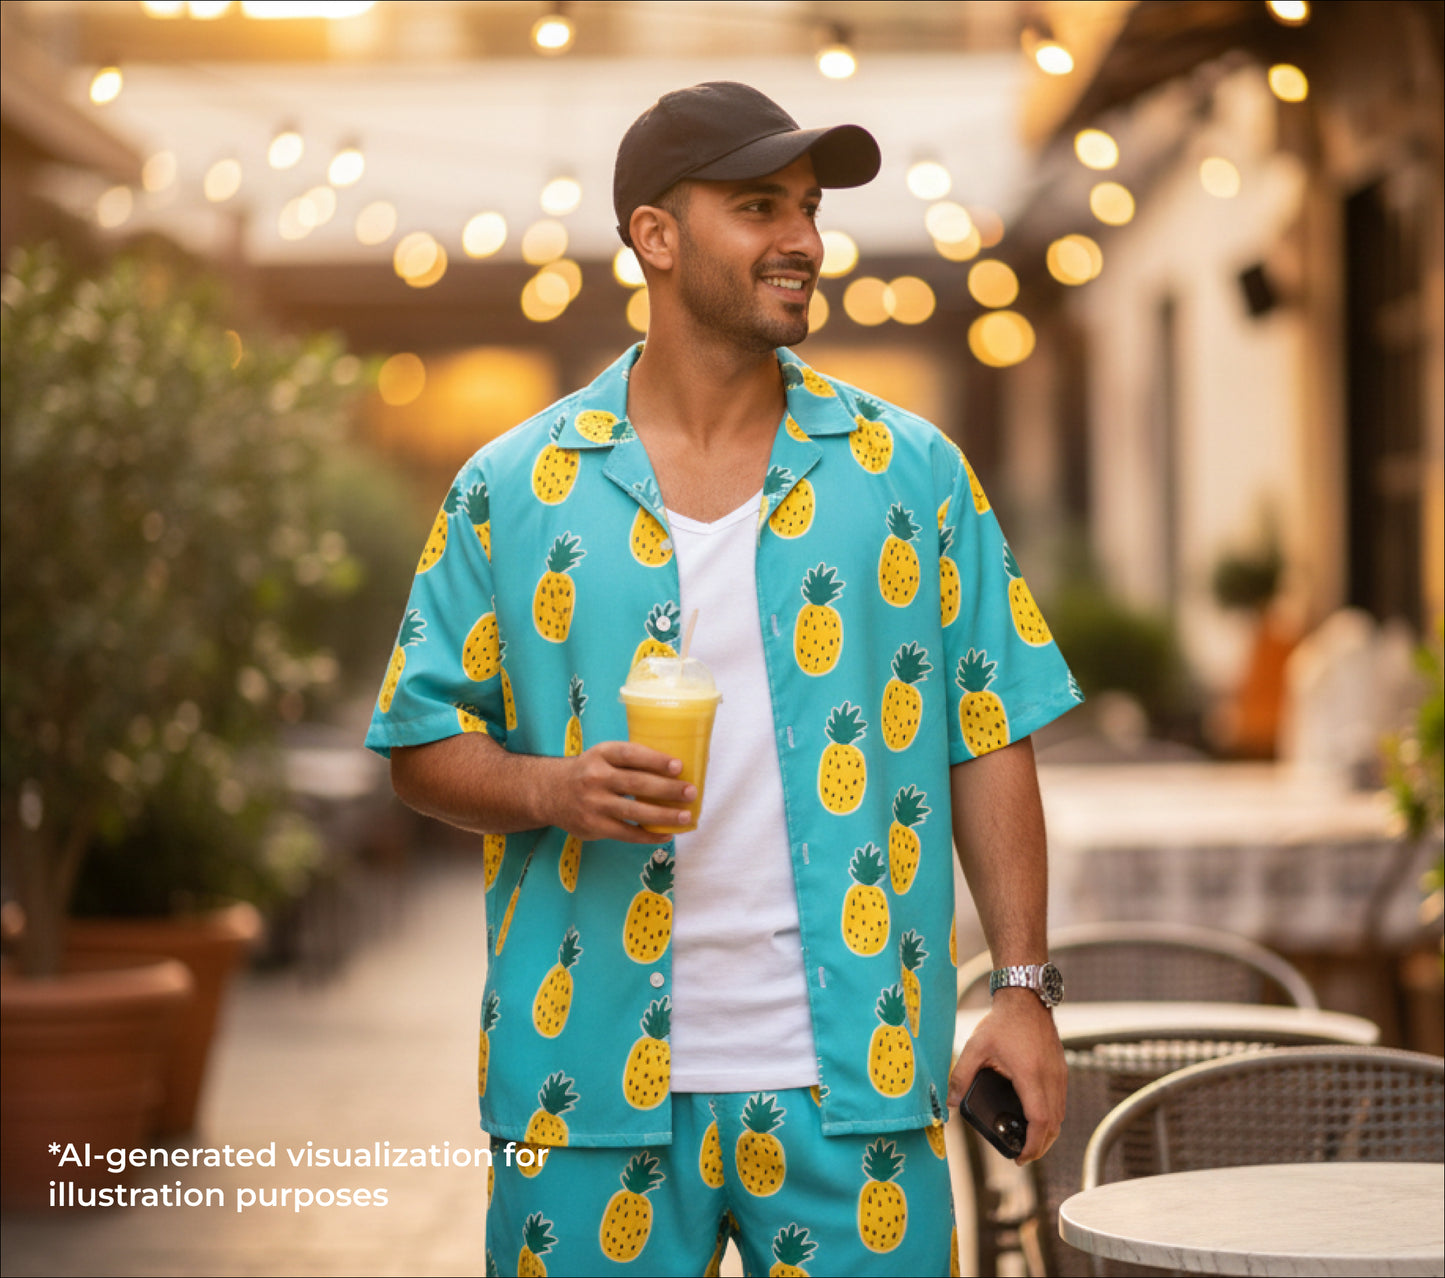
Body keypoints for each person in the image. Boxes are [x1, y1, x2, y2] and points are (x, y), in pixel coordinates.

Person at [367, 81, 1080, 1277]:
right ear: (655, 235)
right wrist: (553, 793)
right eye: (760, 206)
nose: (803, 239)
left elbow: (985, 728)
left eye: (806, 207)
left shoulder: (912, 475)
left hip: (858, 1089)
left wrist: (1019, 989)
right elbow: (416, 740)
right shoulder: (512, 487)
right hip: (582, 1094)